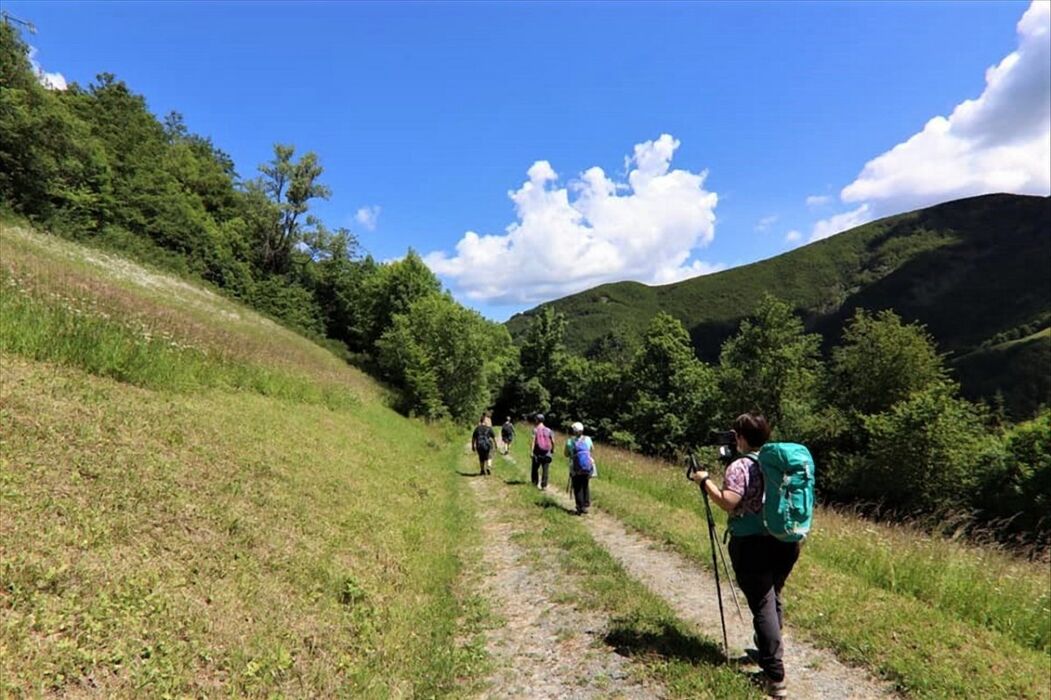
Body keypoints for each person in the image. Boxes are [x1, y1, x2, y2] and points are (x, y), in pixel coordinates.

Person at [689, 413, 800, 699]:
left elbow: (729, 502)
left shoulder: (740, 466)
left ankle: (775, 676)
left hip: (752, 544)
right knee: (772, 595)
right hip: (786, 542)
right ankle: (768, 651)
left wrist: (704, 481)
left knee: (763, 602)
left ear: (740, 438)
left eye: (735, 435)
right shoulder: (779, 462)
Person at [564, 422, 594, 515]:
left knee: (577, 487)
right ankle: (585, 505)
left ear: (574, 431)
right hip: (587, 467)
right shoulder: (588, 439)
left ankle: (579, 507)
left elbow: (566, 454)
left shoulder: (570, 441)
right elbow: (592, 449)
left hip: (575, 468)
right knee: (585, 485)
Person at [529, 414, 554, 490]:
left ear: (537, 420)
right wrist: (553, 449)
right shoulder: (549, 430)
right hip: (546, 452)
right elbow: (553, 441)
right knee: (545, 469)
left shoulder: (535, 430)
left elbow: (533, 441)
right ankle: (544, 485)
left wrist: (531, 451)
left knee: (535, 469)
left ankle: (534, 483)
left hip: (537, 452)